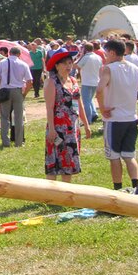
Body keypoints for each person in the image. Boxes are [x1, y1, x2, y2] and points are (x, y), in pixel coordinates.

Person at [96, 39, 138, 193]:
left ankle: (118, 189)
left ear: (113, 52)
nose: (105, 56)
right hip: (130, 118)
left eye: (106, 53)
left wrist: (102, 108)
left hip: (114, 119)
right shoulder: (135, 68)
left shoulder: (108, 69)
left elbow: (99, 90)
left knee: (114, 157)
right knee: (129, 155)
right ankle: (136, 187)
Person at [44, 49, 91, 182]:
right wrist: (52, 129)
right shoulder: (51, 82)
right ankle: (51, 195)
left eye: (70, 63)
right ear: (57, 65)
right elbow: (49, 107)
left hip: (72, 127)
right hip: (58, 128)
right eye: (65, 63)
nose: (68, 66)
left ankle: (66, 194)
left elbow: (79, 104)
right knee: (54, 161)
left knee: (69, 161)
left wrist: (86, 125)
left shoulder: (73, 80)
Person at [0, 47, 33, 148]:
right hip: (18, 90)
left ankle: (5, 141)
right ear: (19, 54)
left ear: (9, 53)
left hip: (5, 90)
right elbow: (30, 82)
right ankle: (19, 142)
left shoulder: (3, 63)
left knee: (5, 117)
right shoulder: (23, 64)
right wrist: (24, 94)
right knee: (18, 117)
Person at [75, 42, 103, 124]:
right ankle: (94, 113)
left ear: (85, 49)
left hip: (87, 81)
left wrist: (80, 56)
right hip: (96, 81)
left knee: (86, 101)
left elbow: (76, 66)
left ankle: (88, 119)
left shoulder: (85, 57)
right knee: (90, 99)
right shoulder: (98, 57)